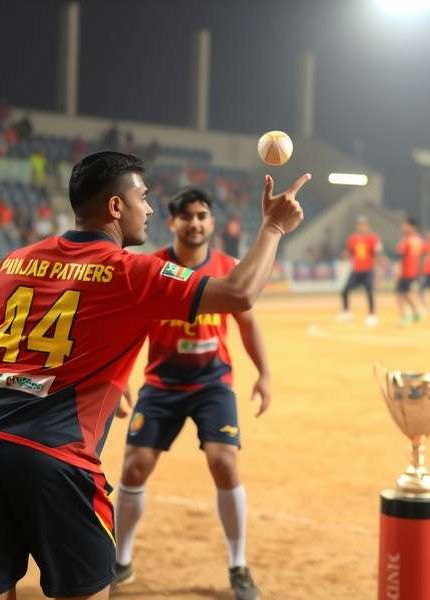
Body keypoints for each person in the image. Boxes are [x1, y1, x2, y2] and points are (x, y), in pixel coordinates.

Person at [0, 151, 308, 600]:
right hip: (57, 457)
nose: (148, 209)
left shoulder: (15, 260)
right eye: (143, 198)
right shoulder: (130, 271)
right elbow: (240, 293)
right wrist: (273, 228)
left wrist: (44, 381)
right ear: (116, 206)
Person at [112, 189, 270, 599]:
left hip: (212, 383)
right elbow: (127, 326)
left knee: (224, 462)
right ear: (173, 223)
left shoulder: (228, 268)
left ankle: (238, 565)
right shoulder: (152, 268)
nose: (195, 223)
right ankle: (121, 560)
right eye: (187, 216)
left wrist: (264, 374)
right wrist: (118, 378)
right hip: (162, 383)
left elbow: (248, 325)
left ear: (212, 222)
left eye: (202, 215)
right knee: (134, 468)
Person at [339, 216, 383, 326]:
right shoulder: (352, 238)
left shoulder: (373, 238)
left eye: (363, 224)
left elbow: (377, 254)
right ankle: (346, 312)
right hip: (356, 270)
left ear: (367, 225)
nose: (361, 226)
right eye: (359, 224)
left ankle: (372, 315)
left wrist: (377, 269)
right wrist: (344, 256)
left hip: (368, 270)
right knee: (345, 290)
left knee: (370, 292)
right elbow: (349, 252)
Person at [396, 217, 423, 325]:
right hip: (414, 271)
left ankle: (404, 317)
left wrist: (398, 269)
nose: (403, 227)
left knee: (400, 294)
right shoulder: (418, 239)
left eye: (405, 225)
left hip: (406, 271)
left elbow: (401, 254)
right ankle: (415, 313)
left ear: (411, 226)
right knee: (406, 293)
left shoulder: (407, 240)